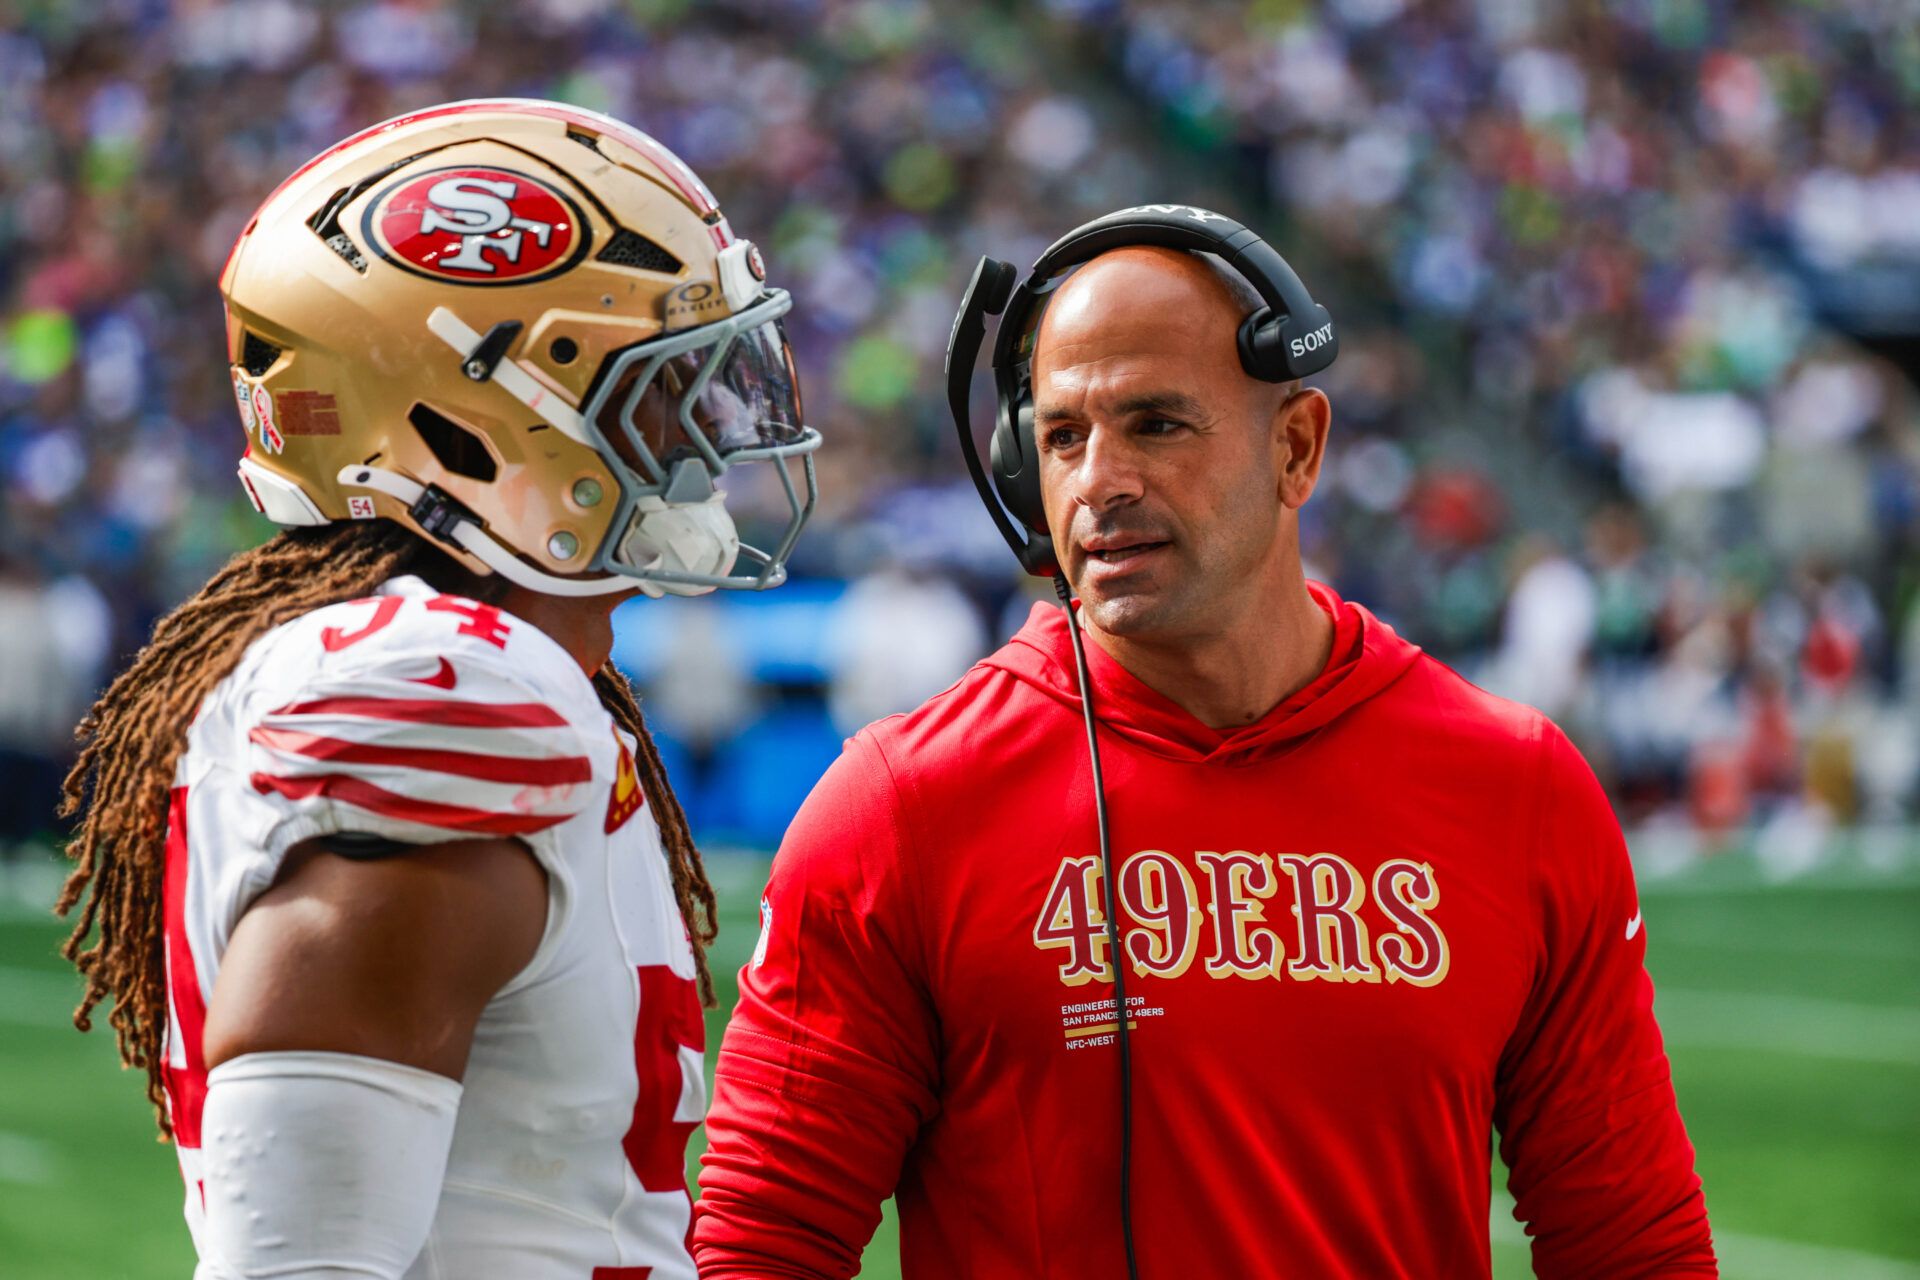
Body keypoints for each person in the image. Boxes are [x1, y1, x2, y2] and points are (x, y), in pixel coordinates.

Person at [695, 242, 1715, 1276]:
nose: (1099, 481)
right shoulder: (898, 809)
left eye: (1157, 423)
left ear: (1296, 448)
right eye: (1062, 436)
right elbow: (761, 1245)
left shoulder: (1518, 787)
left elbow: (1635, 1247)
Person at [55, 99, 819, 1280]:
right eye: (665, 383)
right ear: (476, 418)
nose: (714, 432)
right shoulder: (443, 688)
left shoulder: (493, 668)